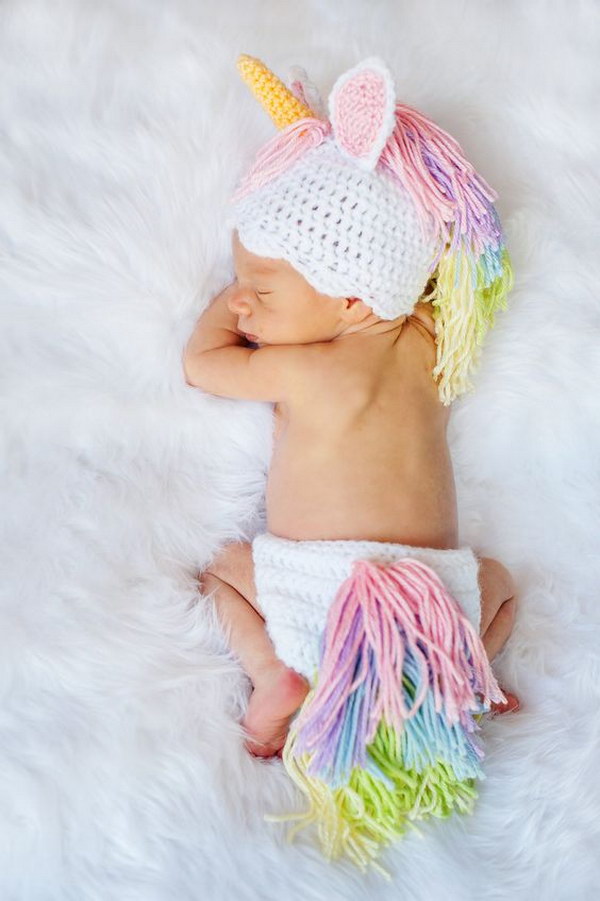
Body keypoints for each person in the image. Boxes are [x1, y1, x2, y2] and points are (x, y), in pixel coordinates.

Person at [183, 54, 521, 877]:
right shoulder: (431, 346)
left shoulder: (303, 368)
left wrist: (210, 319)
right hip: (435, 603)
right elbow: (437, 278)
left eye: (259, 284)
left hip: (322, 604)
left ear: (352, 300)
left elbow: (203, 367)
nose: (240, 299)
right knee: (503, 578)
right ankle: (471, 666)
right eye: (236, 281)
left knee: (224, 573)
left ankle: (275, 678)